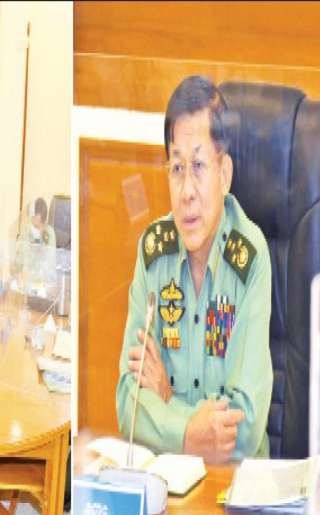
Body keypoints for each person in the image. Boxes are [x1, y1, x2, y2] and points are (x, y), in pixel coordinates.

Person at [115, 75, 272, 464]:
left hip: (235, 481)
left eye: (199, 166)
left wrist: (168, 404)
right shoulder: (154, 253)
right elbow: (128, 404)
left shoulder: (250, 257)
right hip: (170, 477)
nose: (186, 191)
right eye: (177, 167)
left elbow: (246, 425)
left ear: (225, 174)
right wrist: (191, 432)